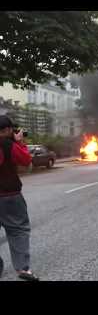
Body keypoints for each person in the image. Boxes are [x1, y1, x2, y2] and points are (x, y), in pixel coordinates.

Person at [0, 115, 39, 281]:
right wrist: (19, 142)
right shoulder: (10, 145)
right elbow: (26, 160)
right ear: (8, 130)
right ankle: (23, 268)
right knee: (17, 231)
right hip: (10, 195)